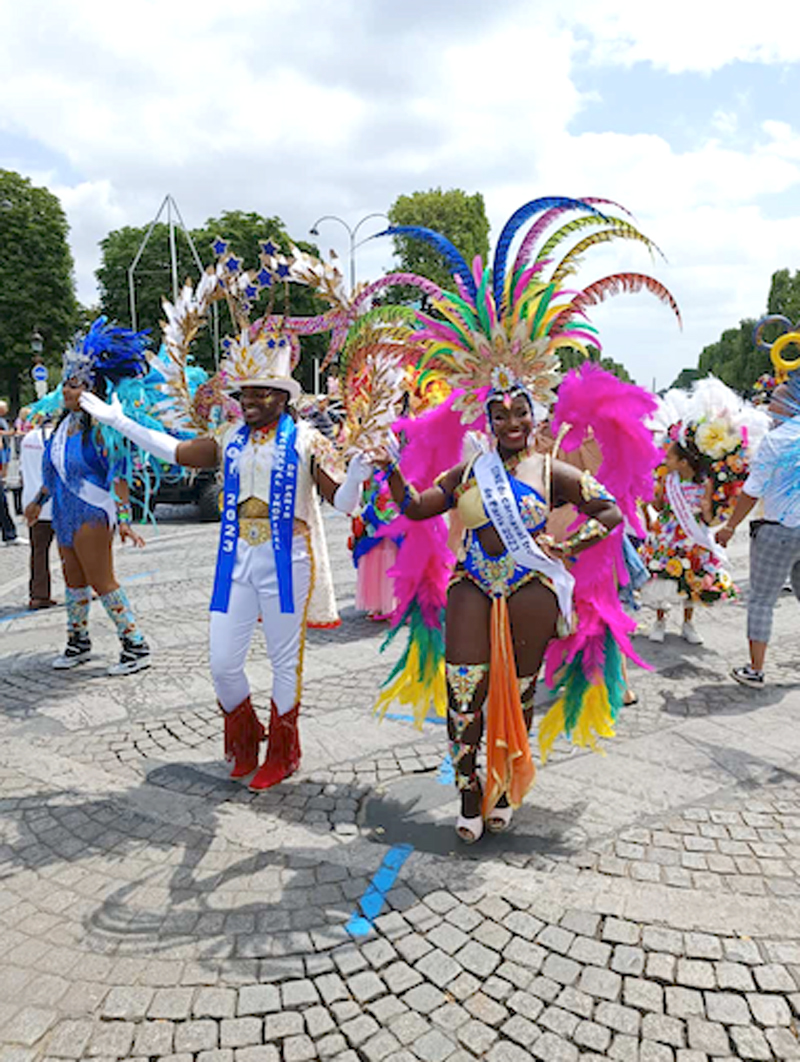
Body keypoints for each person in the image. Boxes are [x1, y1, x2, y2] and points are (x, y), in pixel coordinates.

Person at [351, 196, 677, 843]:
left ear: (534, 412)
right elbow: (418, 506)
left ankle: (503, 790)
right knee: (464, 692)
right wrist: (387, 467)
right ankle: (469, 800)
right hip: (474, 585)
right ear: (486, 417)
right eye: (499, 414)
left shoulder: (551, 468)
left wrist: (565, 543)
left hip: (530, 589)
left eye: (519, 412)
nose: (510, 422)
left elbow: (609, 510)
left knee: (517, 698)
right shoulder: (471, 471)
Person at [82, 249, 369, 791]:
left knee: (286, 662)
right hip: (236, 561)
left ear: (283, 397)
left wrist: (358, 471)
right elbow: (172, 450)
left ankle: (283, 751)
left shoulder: (307, 439)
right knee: (222, 662)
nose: (251, 400)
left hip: (290, 562)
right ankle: (245, 734)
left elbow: (346, 505)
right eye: (244, 393)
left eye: (263, 392)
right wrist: (118, 419)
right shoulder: (227, 439)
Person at [24, 319, 152, 675]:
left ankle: (135, 644)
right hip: (64, 510)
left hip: (93, 510)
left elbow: (119, 474)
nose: (67, 390)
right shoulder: (62, 426)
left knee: (101, 579)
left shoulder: (104, 429)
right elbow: (53, 468)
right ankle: (78, 641)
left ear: (91, 388)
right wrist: (37, 501)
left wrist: (124, 520)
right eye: (66, 384)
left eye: (75, 385)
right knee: (73, 579)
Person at [716, 376, 800, 687]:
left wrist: (730, 526)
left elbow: (752, 491)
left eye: (775, 401)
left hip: (778, 531)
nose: (769, 407)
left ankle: (756, 669)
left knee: (762, 600)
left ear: (791, 404)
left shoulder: (777, 440)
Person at [20, 415, 56, 608]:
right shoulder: (59, 437)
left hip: (31, 502)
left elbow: (22, 468)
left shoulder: (27, 438)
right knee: (71, 549)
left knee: (38, 551)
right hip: (55, 502)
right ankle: (79, 587)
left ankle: (38, 595)